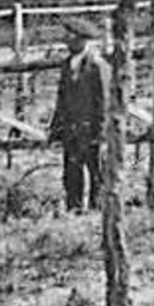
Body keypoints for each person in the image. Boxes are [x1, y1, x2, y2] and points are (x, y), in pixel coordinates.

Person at [47, 16, 113, 213]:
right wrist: (55, 128)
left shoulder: (97, 65)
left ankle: (96, 213)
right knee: (71, 175)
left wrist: (102, 136)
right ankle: (74, 211)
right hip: (71, 131)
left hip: (91, 131)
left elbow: (104, 103)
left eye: (71, 37)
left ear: (82, 39)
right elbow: (62, 100)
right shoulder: (67, 65)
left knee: (97, 174)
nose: (67, 41)